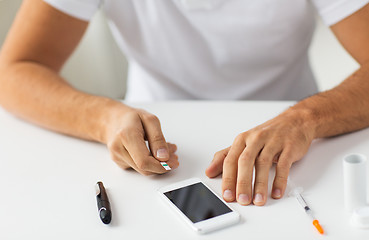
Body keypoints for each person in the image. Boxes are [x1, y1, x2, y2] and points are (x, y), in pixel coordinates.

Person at [1, 0, 369, 207]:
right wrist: (104, 118)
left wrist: (305, 119)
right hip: (150, 145)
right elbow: (14, 71)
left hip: (292, 149)